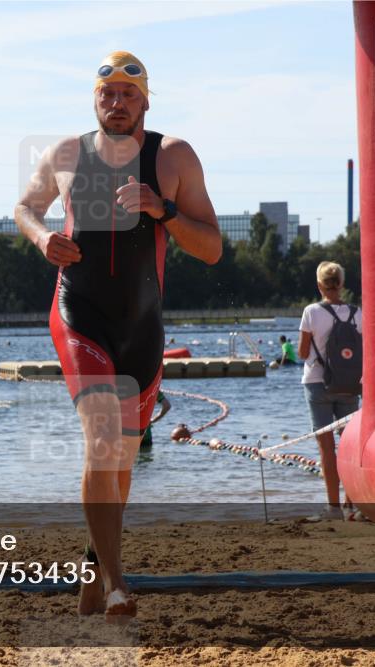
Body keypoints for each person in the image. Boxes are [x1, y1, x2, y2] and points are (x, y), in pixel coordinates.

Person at [14, 50, 221, 619]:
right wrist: (41, 238)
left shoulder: (173, 156)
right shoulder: (65, 154)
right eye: (108, 95)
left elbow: (211, 248)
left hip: (142, 327)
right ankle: (117, 586)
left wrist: (165, 210)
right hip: (79, 313)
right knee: (103, 437)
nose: (117, 103)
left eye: (129, 94)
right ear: (95, 100)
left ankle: (92, 569)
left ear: (146, 101)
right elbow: (25, 206)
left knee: (121, 461)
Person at [298, 261, 361, 520]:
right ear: (342, 284)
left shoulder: (311, 312)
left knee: (326, 447)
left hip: (317, 382)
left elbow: (302, 353)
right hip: (350, 384)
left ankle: (333, 507)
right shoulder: (358, 312)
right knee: (349, 445)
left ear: (320, 286)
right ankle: (352, 503)